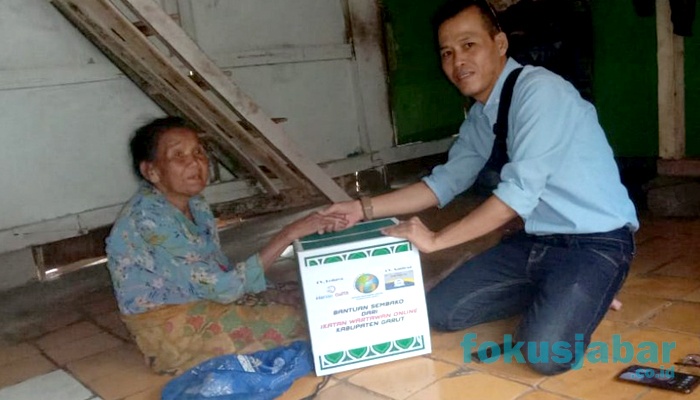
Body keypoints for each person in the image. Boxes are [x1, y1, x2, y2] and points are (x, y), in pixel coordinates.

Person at [322, 0, 638, 375]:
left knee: (545, 355)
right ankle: (570, 293)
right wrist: (361, 208)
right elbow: (443, 183)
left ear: (500, 44)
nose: (458, 61)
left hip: (595, 243)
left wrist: (436, 239)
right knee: (442, 311)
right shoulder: (481, 115)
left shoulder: (539, 93)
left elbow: (515, 197)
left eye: (469, 45)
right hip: (534, 242)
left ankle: (590, 287)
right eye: (447, 52)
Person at [105, 116, 344, 375]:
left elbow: (215, 269)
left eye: (198, 152)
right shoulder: (148, 220)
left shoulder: (195, 203)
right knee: (297, 320)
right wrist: (289, 233)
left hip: (204, 299)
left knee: (307, 296)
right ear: (151, 171)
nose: (195, 162)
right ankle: (170, 355)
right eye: (179, 155)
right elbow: (223, 289)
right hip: (171, 326)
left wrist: (267, 292)